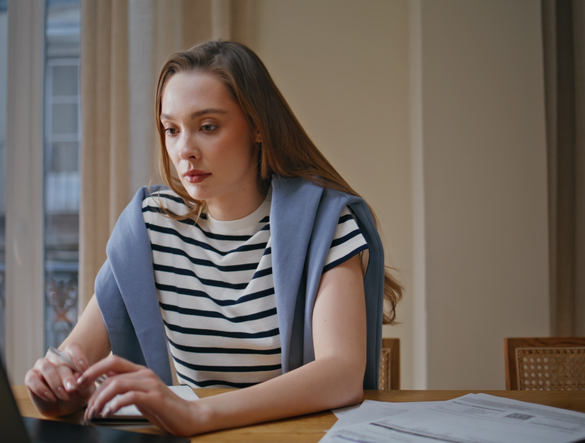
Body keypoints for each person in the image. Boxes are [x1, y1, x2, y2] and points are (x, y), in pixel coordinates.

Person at [25, 40, 402, 437]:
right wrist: (59, 381)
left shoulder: (326, 222)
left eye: (207, 127)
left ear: (258, 127)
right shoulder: (151, 225)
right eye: (171, 129)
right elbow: (76, 354)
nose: (184, 150)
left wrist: (198, 415)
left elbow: (342, 372)